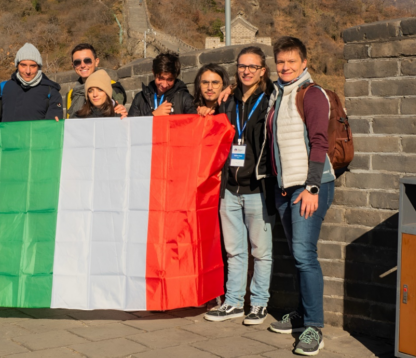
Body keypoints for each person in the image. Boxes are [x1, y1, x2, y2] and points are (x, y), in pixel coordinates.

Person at [266, 36, 335, 356]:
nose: (285, 67)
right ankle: (301, 314)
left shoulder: (312, 93)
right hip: (285, 188)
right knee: (297, 255)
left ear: (304, 63)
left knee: (305, 255)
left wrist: (312, 188)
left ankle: (314, 327)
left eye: (292, 61)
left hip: (309, 186)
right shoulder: (277, 96)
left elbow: (319, 143)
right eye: (280, 62)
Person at [203, 47, 276, 326]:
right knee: (234, 250)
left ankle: (258, 303)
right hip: (229, 189)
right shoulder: (228, 100)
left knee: (261, 251)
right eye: (242, 66)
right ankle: (233, 301)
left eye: (252, 66)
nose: (246, 70)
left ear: (262, 71)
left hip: (258, 188)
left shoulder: (270, 99)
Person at [0, 43, 63, 122]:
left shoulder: (51, 91)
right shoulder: (4, 87)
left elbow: (52, 126)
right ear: (17, 65)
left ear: (39, 67)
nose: (28, 71)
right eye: (23, 65)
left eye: (33, 66)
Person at [66, 43, 127, 119]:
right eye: (77, 62)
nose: (82, 65)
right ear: (73, 66)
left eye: (87, 60)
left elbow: (117, 110)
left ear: (96, 61)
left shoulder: (112, 87)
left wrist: (120, 110)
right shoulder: (72, 93)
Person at [129, 52, 196, 116]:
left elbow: (195, 123)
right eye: (160, 78)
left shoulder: (184, 98)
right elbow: (132, 126)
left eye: (170, 80)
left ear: (176, 76)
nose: (164, 85)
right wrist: (153, 115)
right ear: (153, 72)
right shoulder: (140, 98)